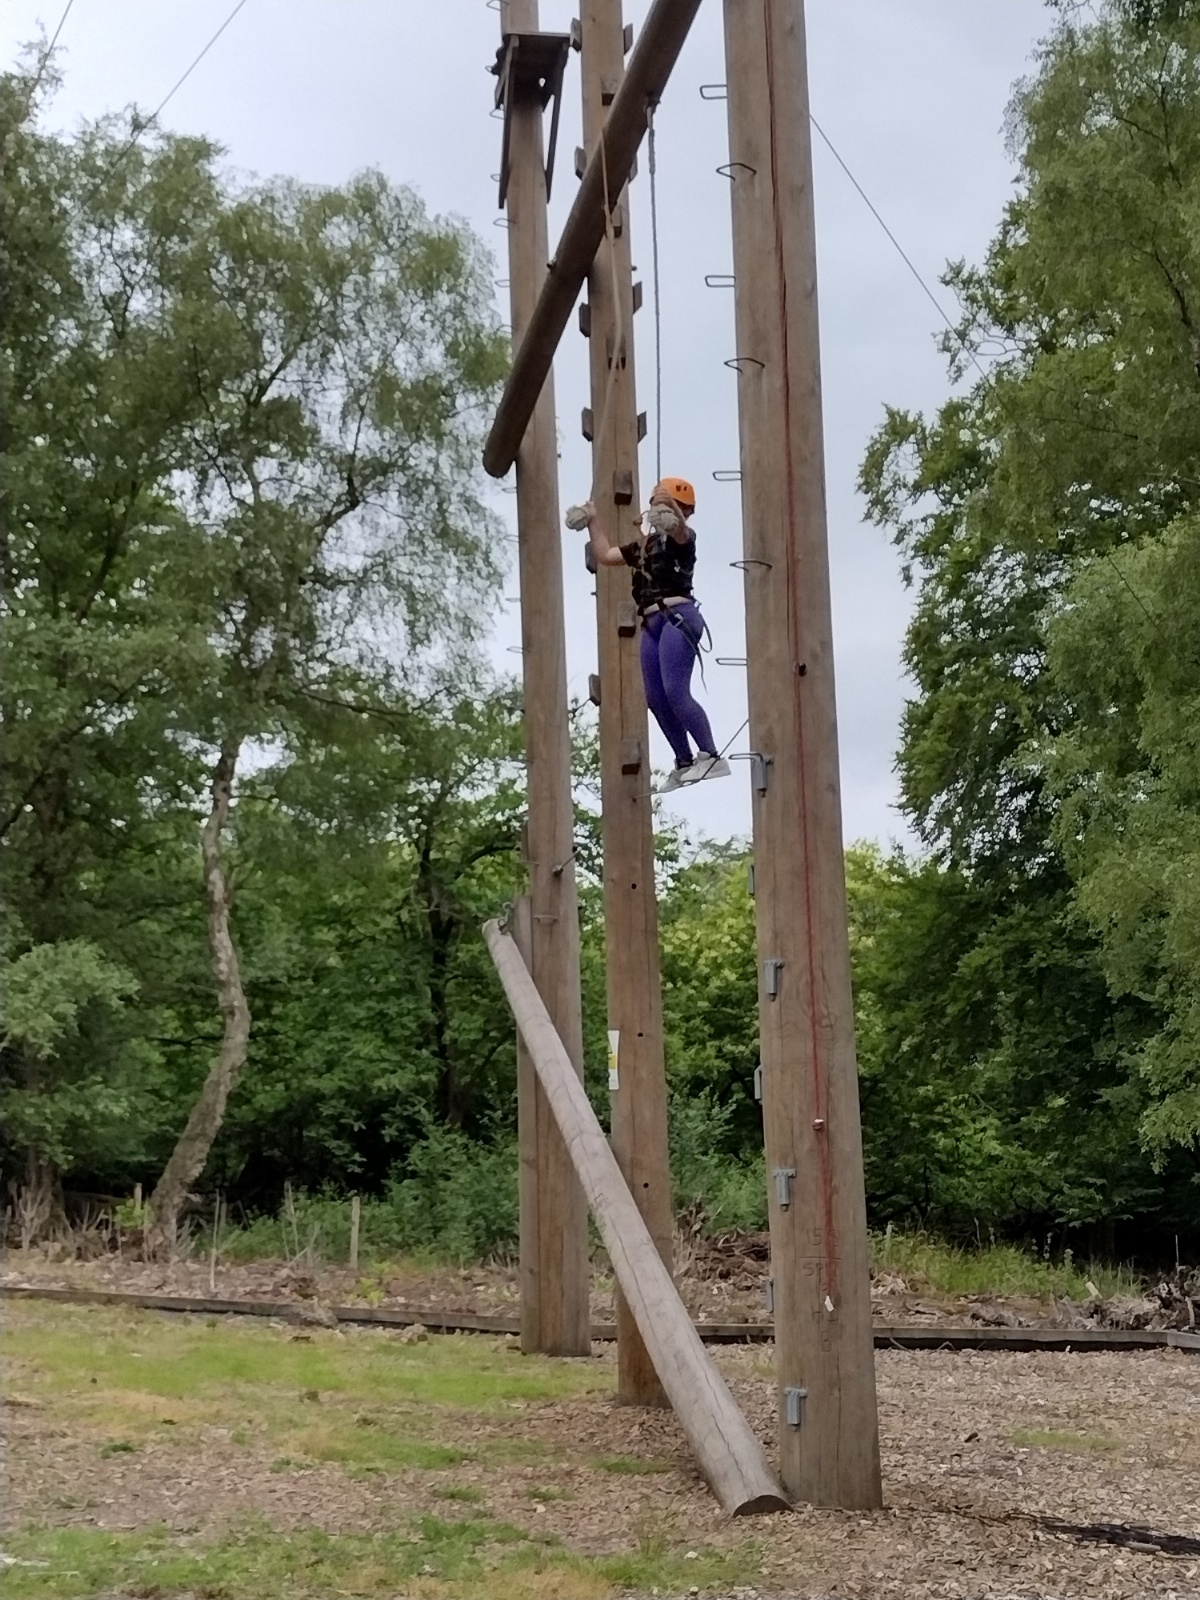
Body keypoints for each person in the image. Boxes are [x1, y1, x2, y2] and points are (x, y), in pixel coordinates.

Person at [573, 477, 730, 791]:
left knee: (675, 691)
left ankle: (711, 756)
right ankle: (684, 761)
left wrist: (669, 505)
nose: (660, 514)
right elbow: (605, 555)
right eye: (657, 508)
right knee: (656, 698)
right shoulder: (644, 547)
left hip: (677, 618)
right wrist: (592, 520)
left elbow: (679, 529)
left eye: (669, 508)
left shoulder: (683, 540)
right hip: (652, 624)